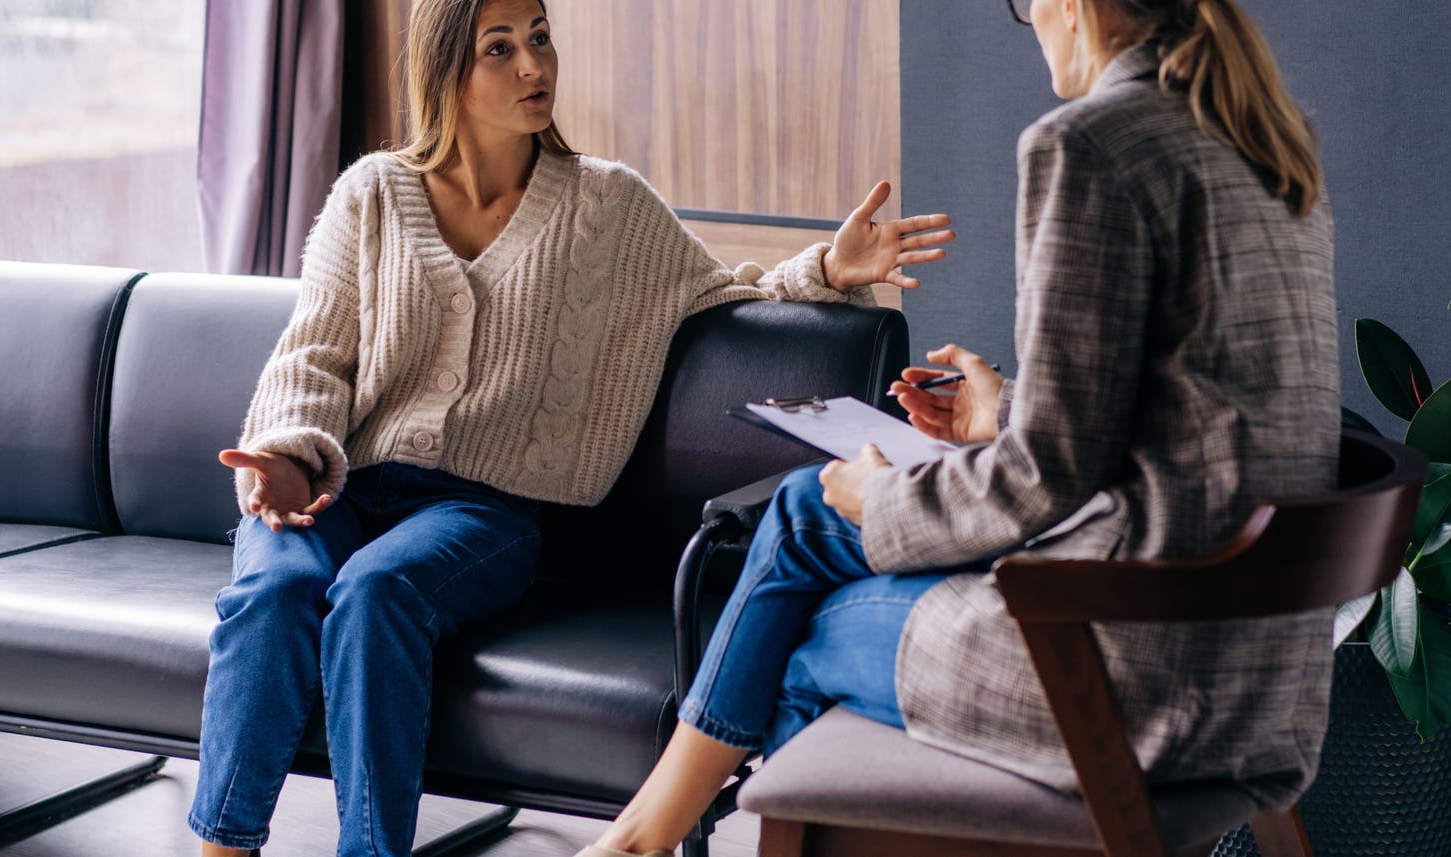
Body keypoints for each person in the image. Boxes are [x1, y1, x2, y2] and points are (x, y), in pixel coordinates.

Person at [186, 0, 955, 855]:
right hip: (344, 482)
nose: (533, 66)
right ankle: (223, 846)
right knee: (272, 589)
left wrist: (826, 268)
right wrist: (290, 458)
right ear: (447, 70)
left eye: (540, 38)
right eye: (501, 48)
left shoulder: (605, 205)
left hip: (483, 514)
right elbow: (313, 355)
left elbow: (720, 295)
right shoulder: (371, 193)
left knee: (377, 593)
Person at [580, 0, 1338, 854]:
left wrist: (887, 495)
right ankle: (642, 836)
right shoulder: (1264, 142)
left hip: (1127, 675)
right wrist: (1004, 410)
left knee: (802, 627)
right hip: (1256, 677)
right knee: (803, 510)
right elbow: (1197, 420)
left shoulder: (1089, 144)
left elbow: (1043, 478)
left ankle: (640, 838)